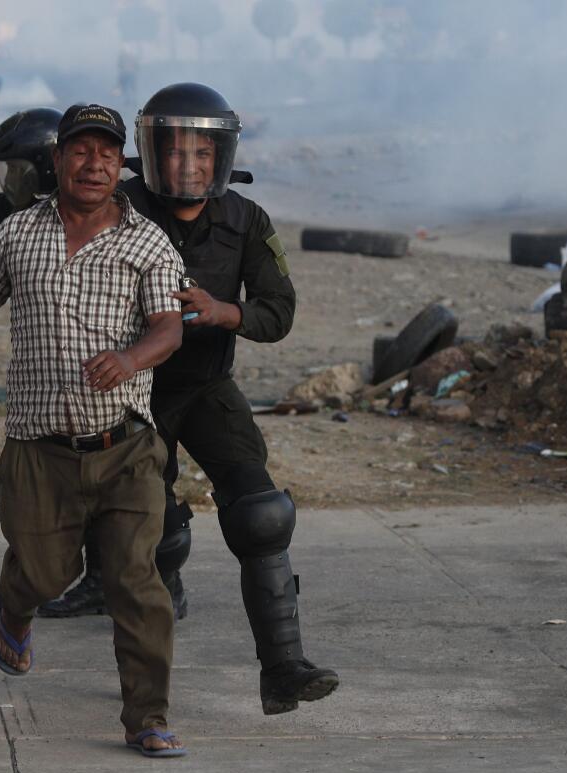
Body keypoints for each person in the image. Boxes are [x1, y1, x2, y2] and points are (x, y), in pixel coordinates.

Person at [40, 83, 340, 716]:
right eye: (175, 153)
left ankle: (283, 669)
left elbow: (279, 310)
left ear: (221, 156)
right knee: (143, 534)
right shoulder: (114, 207)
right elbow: (22, 215)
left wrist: (225, 311)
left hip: (205, 386)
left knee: (262, 514)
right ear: (150, 155)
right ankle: (144, 654)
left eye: (203, 154)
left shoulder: (245, 220)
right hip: (129, 390)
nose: (188, 167)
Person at [0, 104, 188, 756]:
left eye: (106, 153)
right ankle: (15, 609)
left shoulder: (147, 241)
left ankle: (147, 717)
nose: (93, 164)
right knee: (43, 573)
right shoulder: (17, 234)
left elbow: (169, 328)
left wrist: (128, 359)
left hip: (125, 444)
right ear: (59, 159)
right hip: (39, 449)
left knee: (135, 580)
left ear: (120, 164)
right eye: (80, 150)